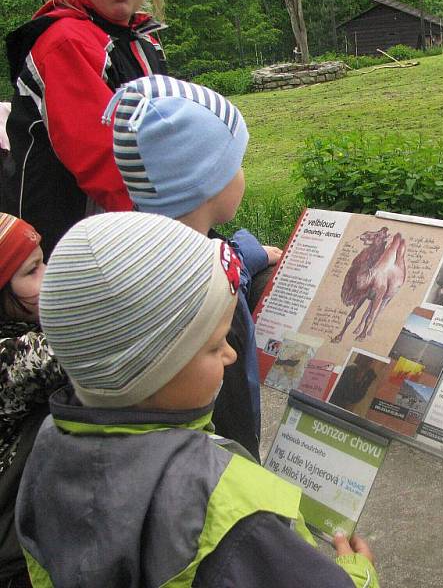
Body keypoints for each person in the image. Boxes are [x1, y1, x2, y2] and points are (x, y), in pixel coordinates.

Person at [15, 212, 379, 587]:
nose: (230, 355)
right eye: (215, 343)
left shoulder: (49, 443)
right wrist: (358, 576)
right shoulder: (228, 510)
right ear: (155, 369)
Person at [102, 75, 280, 460]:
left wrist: (250, 252)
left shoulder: (136, 250)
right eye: (237, 162)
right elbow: (225, 273)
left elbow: (227, 265)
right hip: (217, 451)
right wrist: (249, 251)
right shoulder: (208, 279)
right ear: (208, 182)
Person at [2, 0, 168, 259]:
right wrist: (179, 234)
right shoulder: (65, 41)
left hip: (116, 227)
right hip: (60, 244)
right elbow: (107, 164)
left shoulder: (143, 39)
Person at [0, 214, 69, 588]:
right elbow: (77, 338)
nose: (49, 275)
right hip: (15, 559)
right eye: (32, 270)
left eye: (45, 261)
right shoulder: (11, 359)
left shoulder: (23, 328)